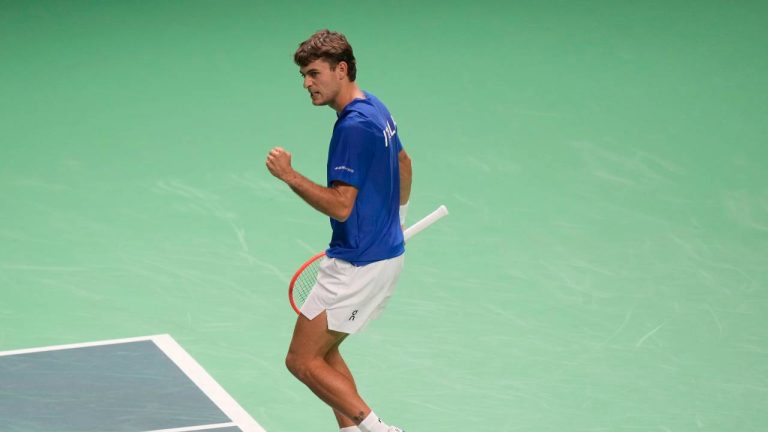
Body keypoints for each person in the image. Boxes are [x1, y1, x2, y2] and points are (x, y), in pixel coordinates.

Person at [265, 30, 412, 432]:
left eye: (313, 74)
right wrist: (397, 220)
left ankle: (379, 429)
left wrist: (289, 176)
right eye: (303, 76)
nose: (306, 83)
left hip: (356, 265)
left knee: (300, 360)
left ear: (341, 69)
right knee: (325, 353)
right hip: (383, 255)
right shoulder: (375, 107)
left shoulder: (351, 128)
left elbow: (340, 205)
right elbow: (404, 163)